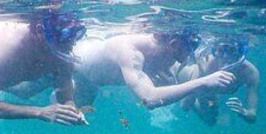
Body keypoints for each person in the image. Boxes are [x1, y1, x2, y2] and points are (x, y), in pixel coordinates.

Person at [68, 30, 237, 109]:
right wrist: (204, 82)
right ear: (174, 45)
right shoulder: (129, 52)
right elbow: (149, 99)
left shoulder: (156, 53)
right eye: (181, 56)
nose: (184, 60)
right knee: (67, 107)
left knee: (80, 108)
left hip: (91, 80)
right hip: (70, 64)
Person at [176, 37, 260, 125]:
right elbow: (186, 105)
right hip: (195, 83)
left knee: (210, 120)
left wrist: (245, 113)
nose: (225, 56)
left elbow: (252, 115)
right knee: (206, 117)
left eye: (231, 50)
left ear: (240, 52)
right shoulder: (208, 65)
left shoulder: (250, 73)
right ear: (215, 51)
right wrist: (195, 99)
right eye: (221, 51)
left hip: (208, 90)